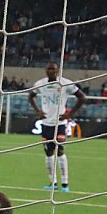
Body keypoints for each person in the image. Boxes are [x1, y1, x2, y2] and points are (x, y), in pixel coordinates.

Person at [28, 63, 87, 192]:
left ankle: (65, 184)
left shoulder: (65, 83)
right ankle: (53, 183)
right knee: (48, 153)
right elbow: (30, 96)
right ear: (45, 70)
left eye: (53, 69)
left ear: (57, 70)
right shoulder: (40, 83)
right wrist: (38, 111)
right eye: (48, 68)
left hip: (59, 124)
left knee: (60, 151)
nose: (51, 71)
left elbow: (82, 97)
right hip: (46, 124)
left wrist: (69, 114)